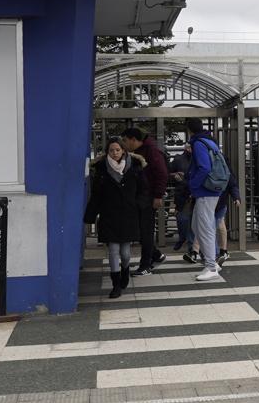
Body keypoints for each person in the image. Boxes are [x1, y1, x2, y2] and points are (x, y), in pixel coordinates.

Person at [83, 140, 149, 299]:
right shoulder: (101, 170)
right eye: (111, 150)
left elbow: (144, 189)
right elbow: (96, 195)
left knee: (125, 253)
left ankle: (125, 271)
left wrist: (138, 204)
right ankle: (116, 284)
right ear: (107, 152)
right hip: (109, 215)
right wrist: (90, 215)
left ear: (123, 151)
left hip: (128, 214)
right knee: (113, 250)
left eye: (118, 149)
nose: (115, 153)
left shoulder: (135, 167)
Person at [120, 127, 169, 275]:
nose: (124, 144)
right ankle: (156, 255)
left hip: (148, 198)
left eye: (125, 141)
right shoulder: (139, 152)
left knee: (146, 232)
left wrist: (158, 196)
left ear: (134, 140)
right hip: (140, 197)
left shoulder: (152, 152)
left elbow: (162, 174)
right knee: (141, 231)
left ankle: (146, 265)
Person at [185, 118, 225, 282]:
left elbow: (204, 167)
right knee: (197, 225)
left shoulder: (198, 143)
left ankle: (211, 265)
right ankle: (212, 264)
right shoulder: (209, 141)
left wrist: (193, 185)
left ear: (189, 130)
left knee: (205, 228)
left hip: (205, 191)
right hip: (211, 190)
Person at [192, 169, 239, 267]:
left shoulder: (210, 171)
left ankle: (212, 255)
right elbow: (233, 186)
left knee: (210, 228)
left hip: (216, 206)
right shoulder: (224, 171)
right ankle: (212, 254)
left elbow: (233, 186)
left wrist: (236, 198)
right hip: (216, 205)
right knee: (210, 228)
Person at [168, 143, 194, 256]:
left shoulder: (199, 158)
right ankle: (183, 237)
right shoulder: (178, 159)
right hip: (182, 194)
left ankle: (191, 247)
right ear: (186, 148)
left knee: (191, 222)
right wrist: (175, 176)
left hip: (194, 194)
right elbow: (168, 172)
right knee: (182, 219)